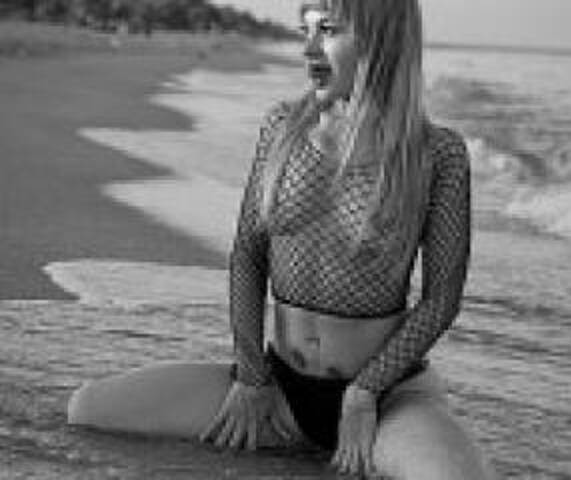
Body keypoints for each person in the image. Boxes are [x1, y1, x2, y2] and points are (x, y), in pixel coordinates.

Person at [67, 1, 496, 478]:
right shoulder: (282, 128)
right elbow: (248, 255)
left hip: (387, 399)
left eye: (327, 30)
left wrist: (365, 391)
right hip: (278, 390)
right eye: (304, 30)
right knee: (89, 409)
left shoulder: (437, 154)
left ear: (380, 40)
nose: (309, 48)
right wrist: (252, 376)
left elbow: (442, 298)